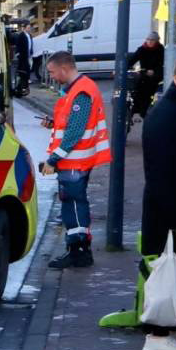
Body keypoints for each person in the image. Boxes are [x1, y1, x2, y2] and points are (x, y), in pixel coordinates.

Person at [102, 51, 176, 350]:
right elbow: (161, 173)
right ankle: (158, 334)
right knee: (174, 272)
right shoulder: (168, 115)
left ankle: (170, 330)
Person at [41, 51, 113, 268]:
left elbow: (74, 132)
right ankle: (80, 250)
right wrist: (53, 124)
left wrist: (53, 160)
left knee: (73, 205)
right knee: (75, 203)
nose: (51, 76)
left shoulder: (81, 92)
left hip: (74, 162)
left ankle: (78, 252)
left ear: (64, 69)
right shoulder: (81, 88)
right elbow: (72, 124)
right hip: (78, 161)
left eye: (52, 72)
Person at [125, 32, 164, 119]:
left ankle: (145, 113)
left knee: (150, 93)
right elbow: (132, 60)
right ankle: (136, 111)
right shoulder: (142, 49)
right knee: (138, 90)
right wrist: (123, 68)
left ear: (157, 41)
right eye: (148, 39)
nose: (149, 42)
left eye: (152, 40)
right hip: (144, 74)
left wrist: (155, 71)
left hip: (156, 76)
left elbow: (163, 64)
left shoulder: (161, 50)